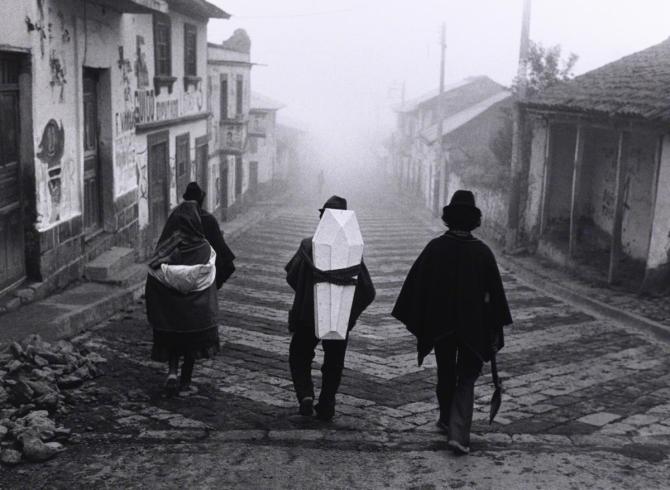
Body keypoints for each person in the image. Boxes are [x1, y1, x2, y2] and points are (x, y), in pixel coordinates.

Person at [392, 190, 512, 455]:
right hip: (473, 328)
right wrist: (494, 328)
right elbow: (495, 298)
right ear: (473, 220)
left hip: (442, 327)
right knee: (467, 378)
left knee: (445, 373)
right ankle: (458, 433)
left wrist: (424, 319)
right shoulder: (482, 253)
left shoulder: (436, 248)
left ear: (449, 218)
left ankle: (446, 418)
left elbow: (416, 287)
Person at [285, 195, 376, 421]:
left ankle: (305, 394)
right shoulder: (351, 249)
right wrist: (350, 314)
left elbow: (292, 275)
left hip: (308, 314)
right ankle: (326, 404)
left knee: (299, 354)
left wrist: (307, 292)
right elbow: (368, 291)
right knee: (334, 362)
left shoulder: (308, 245)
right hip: (338, 316)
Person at [145, 194, 233, 396]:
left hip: (170, 310)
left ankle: (172, 372)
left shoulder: (168, 246)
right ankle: (185, 380)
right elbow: (212, 278)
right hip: (196, 312)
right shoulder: (204, 248)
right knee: (191, 345)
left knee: (173, 341)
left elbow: (153, 273)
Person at [182, 182, 236, 289]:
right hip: (205, 272)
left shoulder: (179, 218)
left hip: (185, 274)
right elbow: (220, 247)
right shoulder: (208, 219)